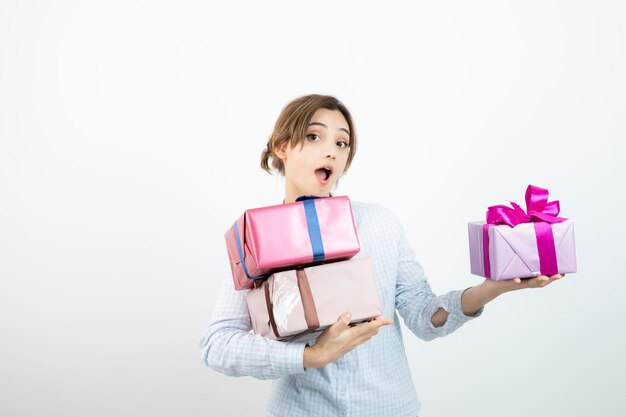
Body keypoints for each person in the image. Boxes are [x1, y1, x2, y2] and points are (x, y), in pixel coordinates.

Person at [199, 94, 564, 417]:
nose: (331, 151)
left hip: (389, 407)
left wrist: (491, 289)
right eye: (314, 136)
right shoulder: (255, 236)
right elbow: (217, 344)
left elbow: (424, 316)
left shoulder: (378, 223)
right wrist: (309, 356)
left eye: (342, 144)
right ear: (281, 146)